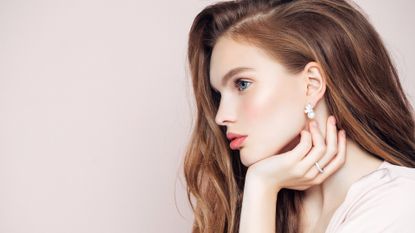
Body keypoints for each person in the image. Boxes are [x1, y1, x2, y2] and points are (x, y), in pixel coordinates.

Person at [182, 0, 415, 232]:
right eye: (218, 95)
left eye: (242, 84)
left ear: (311, 85)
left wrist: (261, 185)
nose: (221, 116)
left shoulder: (399, 202)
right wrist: (262, 187)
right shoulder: (274, 201)